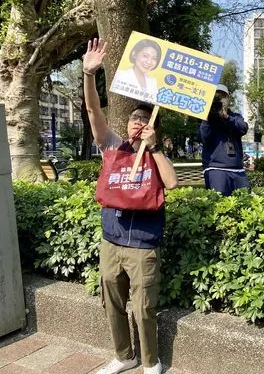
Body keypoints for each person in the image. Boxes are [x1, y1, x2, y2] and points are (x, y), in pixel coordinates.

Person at [83, 38, 179, 374]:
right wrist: (88, 75)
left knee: (143, 308)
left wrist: (153, 148)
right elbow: (95, 111)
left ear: (152, 126)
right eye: (133, 120)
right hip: (111, 241)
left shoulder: (156, 153)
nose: (138, 124)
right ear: (125, 125)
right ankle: (124, 356)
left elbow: (171, 183)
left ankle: (151, 361)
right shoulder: (113, 147)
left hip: (143, 246)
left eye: (144, 120)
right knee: (112, 303)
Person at [198, 84, 250, 196]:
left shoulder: (235, 116)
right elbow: (203, 137)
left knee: (246, 200)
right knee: (219, 202)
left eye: (223, 96)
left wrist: (226, 117)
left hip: (238, 169)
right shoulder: (206, 117)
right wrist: (208, 118)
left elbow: (243, 128)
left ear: (228, 98)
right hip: (215, 168)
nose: (220, 99)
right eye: (216, 96)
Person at [111, 39, 162, 104]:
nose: (149, 62)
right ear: (134, 54)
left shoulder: (153, 82)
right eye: (145, 56)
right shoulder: (120, 75)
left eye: (154, 58)